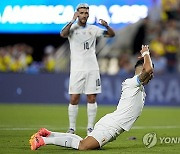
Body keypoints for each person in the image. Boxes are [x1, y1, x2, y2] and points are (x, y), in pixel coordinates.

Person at [29, 45, 154, 151]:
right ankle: (43, 140)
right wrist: (146, 53)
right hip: (111, 127)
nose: (152, 76)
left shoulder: (139, 88)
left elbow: (147, 70)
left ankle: (49, 134)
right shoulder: (133, 83)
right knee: (83, 146)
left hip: (111, 123)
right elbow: (148, 69)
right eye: (151, 74)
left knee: (83, 142)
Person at [60, 3, 115, 135]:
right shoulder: (72, 28)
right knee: (74, 98)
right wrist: (72, 20)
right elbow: (63, 34)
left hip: (92, 68)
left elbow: (111, 35)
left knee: (92, 98)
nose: (84, 15)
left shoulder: (93, 29)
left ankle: (90, 128)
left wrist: (107, 26)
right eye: (82, 13)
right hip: (77, 69)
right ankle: (72, 128)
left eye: (86, 13)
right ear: (77, 14)